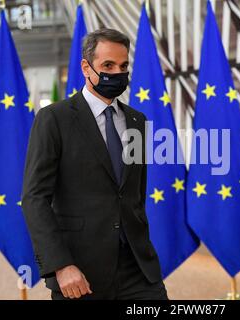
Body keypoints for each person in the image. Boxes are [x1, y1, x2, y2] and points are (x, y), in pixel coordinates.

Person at [22, 28, 167, 300]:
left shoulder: (138, 122)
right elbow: (34, 198)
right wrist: (61, 265)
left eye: (123, 66)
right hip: (80, 273)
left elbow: (133, 194)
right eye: (108, 65)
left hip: (139, 270)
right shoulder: (54, 119)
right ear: (86, 68)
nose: (117, 73)